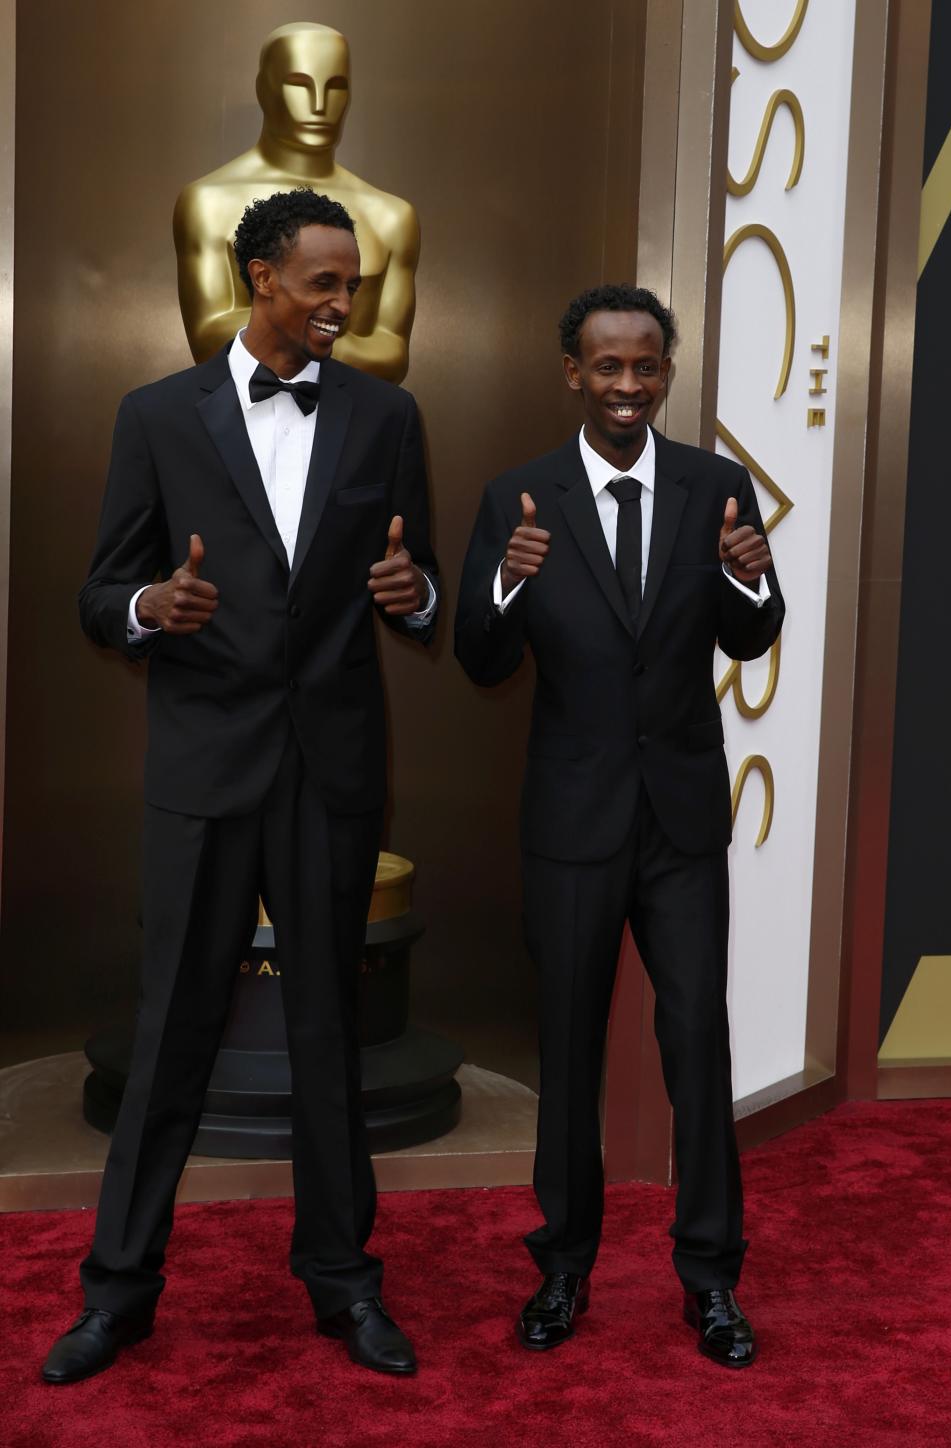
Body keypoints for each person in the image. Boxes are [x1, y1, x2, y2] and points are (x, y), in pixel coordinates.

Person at [42, 189, 437, 1385]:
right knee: (172, 1036)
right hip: (204, 772)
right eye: (324, 282)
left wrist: (412, 593)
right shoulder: (157, 416)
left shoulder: (386, 415)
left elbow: (421, 597)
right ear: (260, 275)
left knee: (327, 1033)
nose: (344, 302)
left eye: (353, 284)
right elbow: (101, 591)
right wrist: (151, 607)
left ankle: (344, 1281)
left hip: (332, 774)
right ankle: (118, 1293)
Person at [455, 284, 784, 1369]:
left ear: (666, 370)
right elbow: (480, 656)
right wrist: (506, 585)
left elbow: (749, 632)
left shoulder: (714, 484)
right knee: (571, 1046)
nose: (630, 386)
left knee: (697, 1039)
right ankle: (562, 1268)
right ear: (573, 372)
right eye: (609, 367)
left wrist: (754, 581)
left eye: (647, 366)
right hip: (572, 819)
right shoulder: (519, 496)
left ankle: (711, 1280)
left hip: (681, 818)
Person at [174, 21, 419, 381]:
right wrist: (332, 339)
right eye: (299, 85)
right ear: (264, 89)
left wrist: (288, 334)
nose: (319, 105)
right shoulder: (207, 203)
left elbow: (393, 353)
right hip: (239, 421)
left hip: (355, 428)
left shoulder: (392, 217)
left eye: (335, 87)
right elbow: (210, 337)